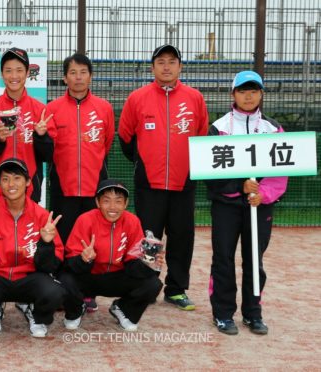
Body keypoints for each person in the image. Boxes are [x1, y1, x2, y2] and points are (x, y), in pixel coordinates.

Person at [118, 44, 209, 310]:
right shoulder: (137, 98)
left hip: (184, 181)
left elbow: (201, 136)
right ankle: (149, 286)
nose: (166, 66)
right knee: (150, 238)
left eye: (172, 61)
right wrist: (144, 163)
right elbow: (125, 139)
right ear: (152, 67)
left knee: (182, 236)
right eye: (161, 62)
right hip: (150, 183)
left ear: (180, 67)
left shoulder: (194, 98)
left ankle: (176, 289)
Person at [206, 71, 286, 336]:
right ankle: (223, 314)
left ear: (261, 94)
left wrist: (263, 193)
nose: (248, 95)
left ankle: (253, 314)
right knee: (223, 260)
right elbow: (211, 173)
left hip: (259, 206)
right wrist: (238, 187)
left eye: (253, 90)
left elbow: (280, 171)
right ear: (233, 95)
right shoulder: (219, 128)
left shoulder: (273, 129)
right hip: (226, 206)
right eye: (242, 90)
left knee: (255, 259)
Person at [0, 158, 65, 338]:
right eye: (5, 179)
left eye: (17, 178)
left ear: (27, 182)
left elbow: (51, 265)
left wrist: (46, 243)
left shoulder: (42, 215)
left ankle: (38, 315)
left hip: (30, 276)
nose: (11, 184)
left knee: (55, 292)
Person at [46, 53, 115, 313]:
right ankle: (64, 291)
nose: (78, 77)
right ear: (64, 77)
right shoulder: (52, 109)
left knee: (92, 241)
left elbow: (106, 143)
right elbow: (48, 148)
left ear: (91, 76)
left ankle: (89, 292)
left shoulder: (104, 108)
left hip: (93, 187)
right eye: (73, 72)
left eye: (83, 72)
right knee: (62, 241)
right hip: (63, 188)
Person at [58, 179, 163, 331]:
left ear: (126, 204)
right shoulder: (85, 219)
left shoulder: (132, 221)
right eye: (106, 201)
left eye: (118, 201)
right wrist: (84, 259)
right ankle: (75, 311)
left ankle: (123, 309)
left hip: (118, 277)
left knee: (153, 283)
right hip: (88, 276)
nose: (112, 207)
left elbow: (133, 264)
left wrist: (148, 263)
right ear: (97, 202)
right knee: (64, 279)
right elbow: (69, 262)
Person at [0, 47, 54, 204]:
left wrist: (41, 136)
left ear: (27, 73)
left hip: (30, 186)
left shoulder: (40, 110)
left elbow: (48, 155)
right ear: (1, 74)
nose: (14, 76)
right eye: (8, 71)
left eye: (19, 70)